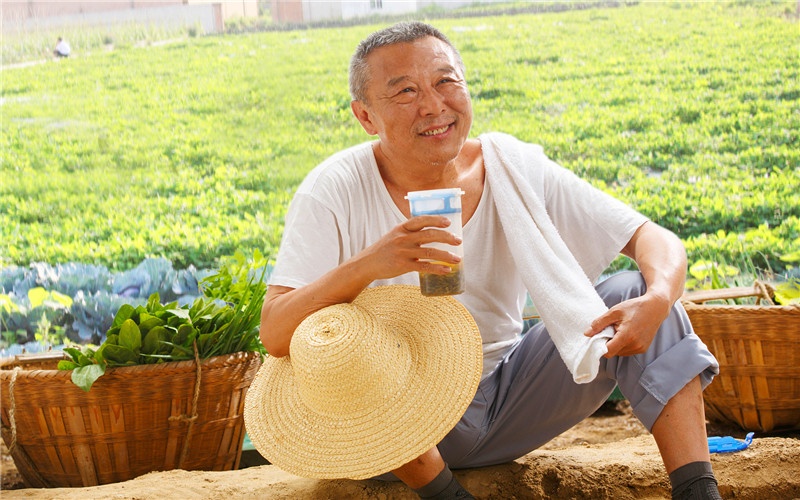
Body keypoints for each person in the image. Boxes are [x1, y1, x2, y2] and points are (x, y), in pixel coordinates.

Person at [259, 21, 721, 500]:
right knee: (353, 355)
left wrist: (659, 297)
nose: (433, 105)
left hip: (508, 395)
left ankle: (698, 493)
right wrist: (370, 264)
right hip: (396, 437)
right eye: (405, 92)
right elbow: (275, 330)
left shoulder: (509, 166)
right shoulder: (333, 189)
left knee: (634, 291)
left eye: (445, 81)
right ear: (365, 116)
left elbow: (653, 238)